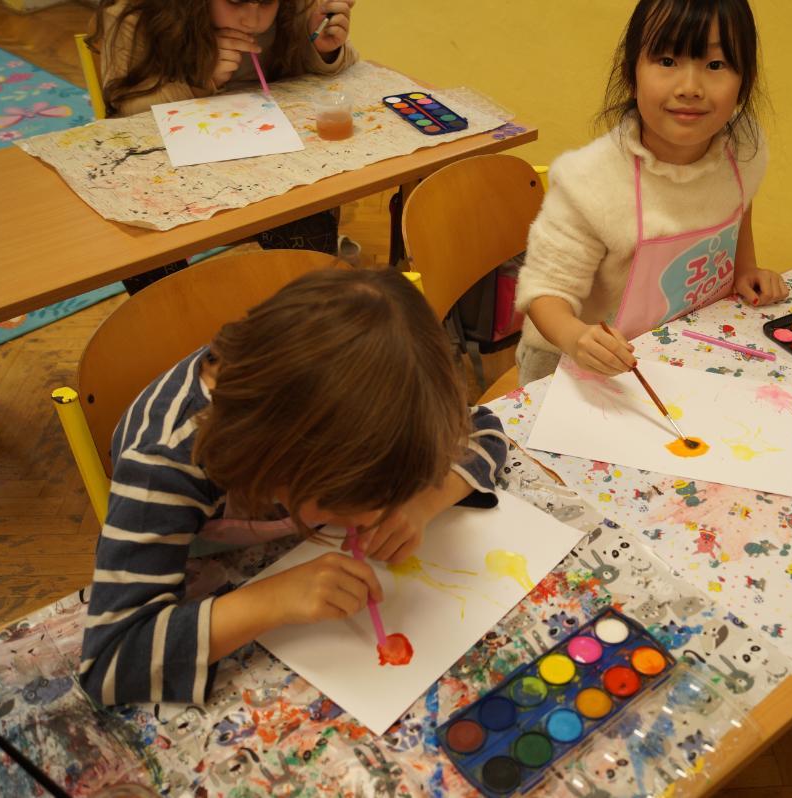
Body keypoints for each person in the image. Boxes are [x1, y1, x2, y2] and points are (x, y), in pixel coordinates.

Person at [78, 267, 508, 706]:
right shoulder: (164, 460)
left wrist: (422, 504)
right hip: (192, 557)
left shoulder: (373, 398)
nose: (372, 520)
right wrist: (272, 600)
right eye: (345, 506)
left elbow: (486, 431)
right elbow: (110, 660)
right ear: (279, 463)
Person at [514, 0, 790, 385]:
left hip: (682, 351)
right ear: (631, 73)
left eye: (715, 65)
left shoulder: (742, 149)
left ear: (745, 81)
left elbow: (738, 204)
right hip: (573, 363)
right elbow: (545, 292)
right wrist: (577, 338)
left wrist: (745, 269)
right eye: (667, 61)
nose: (690, 88)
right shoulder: (589, 182)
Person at [91, 0, 360, 293]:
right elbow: (127, 111)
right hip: (165, 174)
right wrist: (200, 82)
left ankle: (305, 308)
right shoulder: (137, 12)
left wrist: (322, 50)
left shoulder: (294, 6)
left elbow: (335, 74)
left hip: (268, 168)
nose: (252, 21)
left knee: (309, 224)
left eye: (267, 2)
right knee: (145, 253)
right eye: (235, 1)